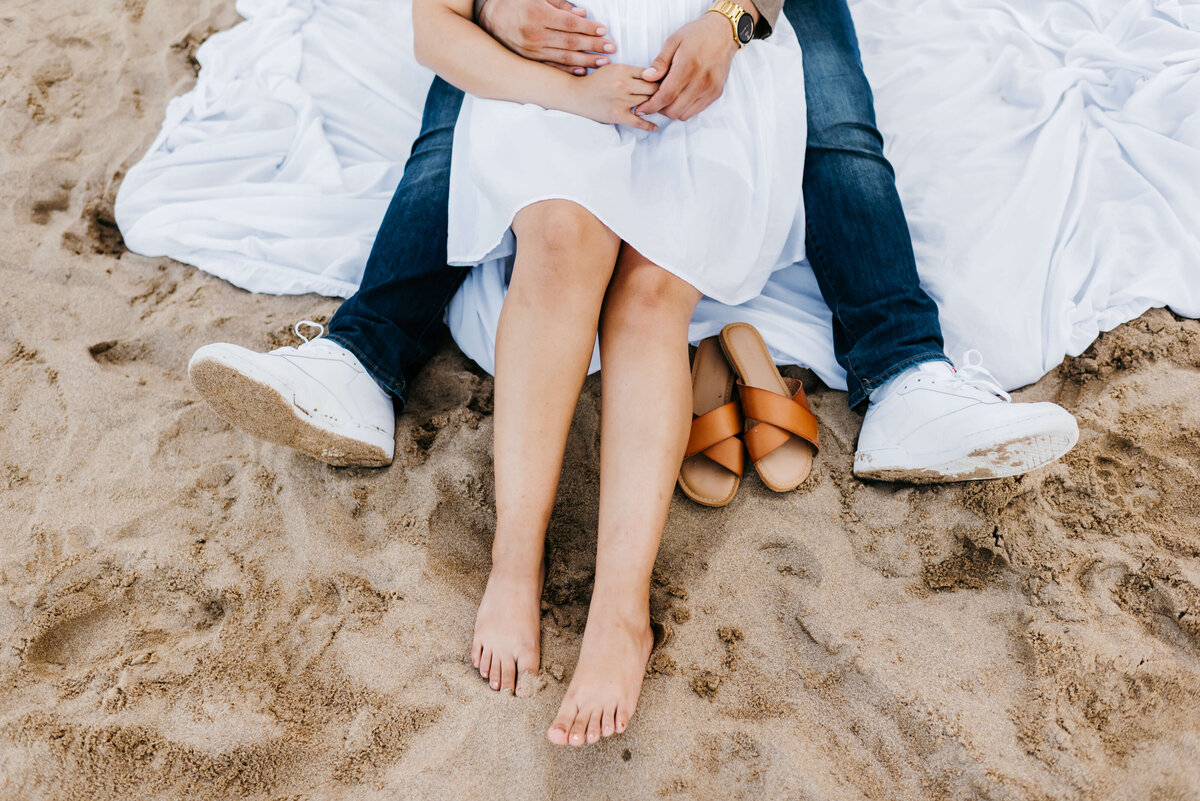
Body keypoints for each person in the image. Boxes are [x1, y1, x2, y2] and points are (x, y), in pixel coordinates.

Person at [187, 0, 1078, 739]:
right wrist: (543, 64)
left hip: (704, 67)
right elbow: (438, 26)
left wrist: (731, 22)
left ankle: (622, 609)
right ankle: (512, 561)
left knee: (655, 292)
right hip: (564, 80)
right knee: (562, 243)